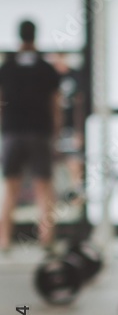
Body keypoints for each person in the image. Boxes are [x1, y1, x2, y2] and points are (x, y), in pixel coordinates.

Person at [0, 20, 61, 252]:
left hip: (12, 133)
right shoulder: (46, 68)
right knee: (43, 188)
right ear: (35, 36)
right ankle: (46, 240)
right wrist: (53, 135)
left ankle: (4, 240)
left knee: (10, 187)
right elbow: (54, 106)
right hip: (40, 133)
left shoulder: (7, 67)